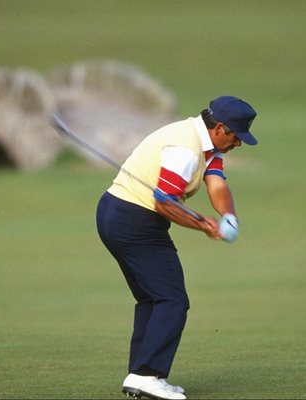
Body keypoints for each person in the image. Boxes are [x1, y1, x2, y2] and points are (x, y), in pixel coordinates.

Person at [96, 96, 258, 400]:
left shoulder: (207, 143)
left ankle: (141, 374)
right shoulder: (185, 148)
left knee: (152, 298)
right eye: (237, 137)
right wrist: (203, 225)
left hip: (117, 213)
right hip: (134, 220)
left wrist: (228, 217)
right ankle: (146, 375)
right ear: (221, 127)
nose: (238, 144)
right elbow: (163, 202)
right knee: (172, 299)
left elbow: (217, 183)